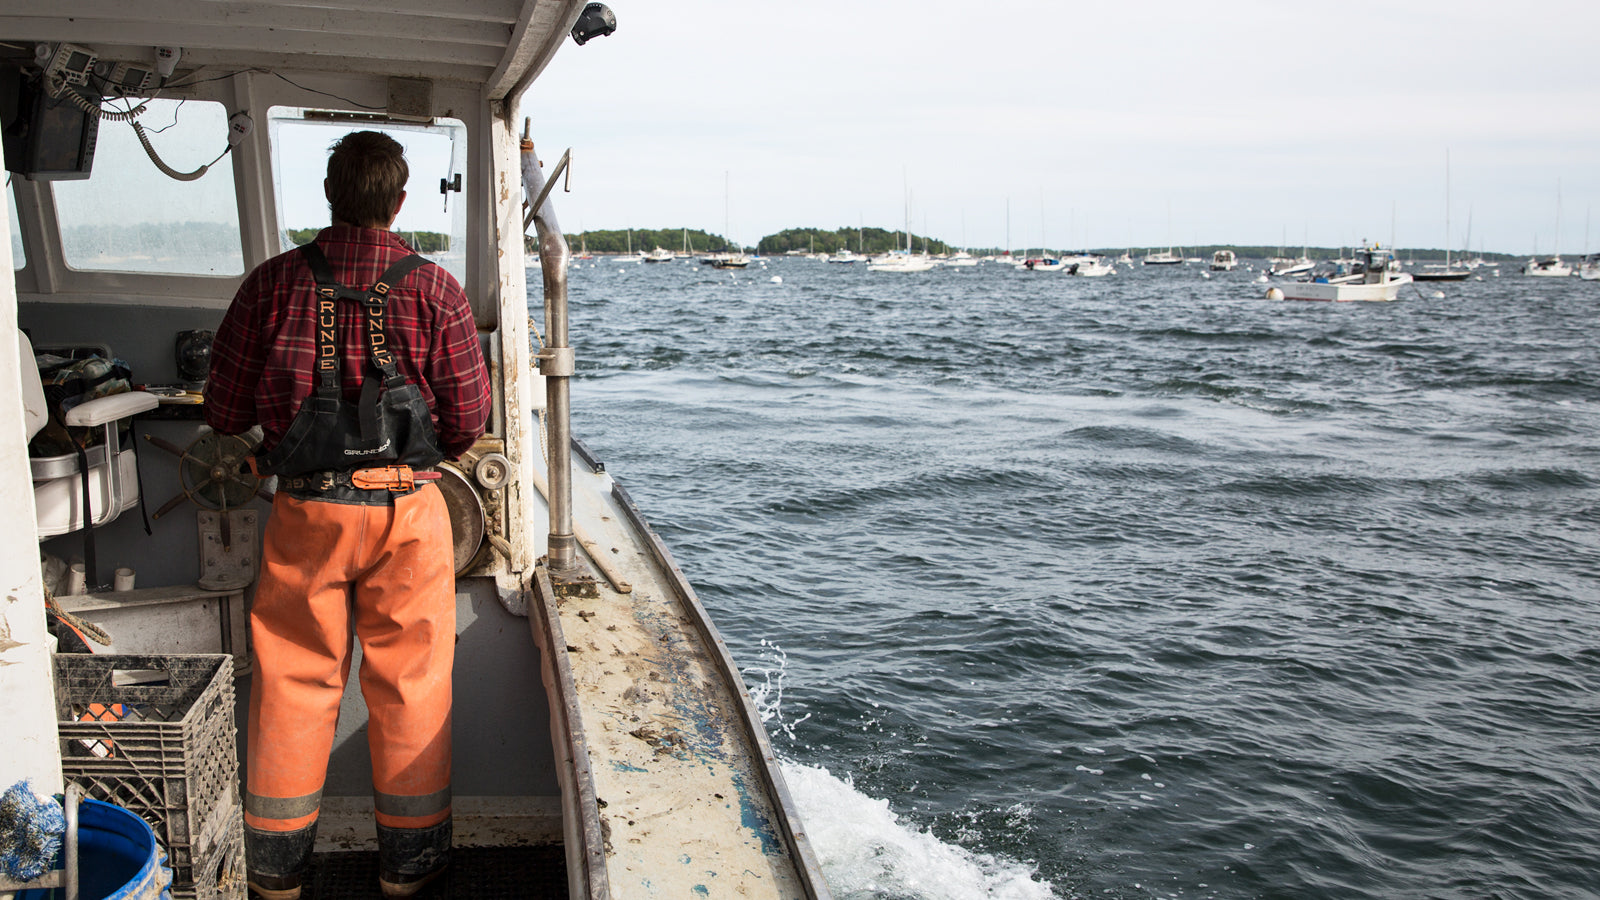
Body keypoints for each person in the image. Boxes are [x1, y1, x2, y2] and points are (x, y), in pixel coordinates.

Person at [205, 130, 491, 900]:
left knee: (294, 683)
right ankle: (411, 871)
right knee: (413, 687)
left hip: (308, 515)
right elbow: (466, 422)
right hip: (408, 514)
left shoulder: (271, 285)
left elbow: (225, 409)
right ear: (398, 203)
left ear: (329, 194)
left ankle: (273, 877)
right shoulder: (436, 289)